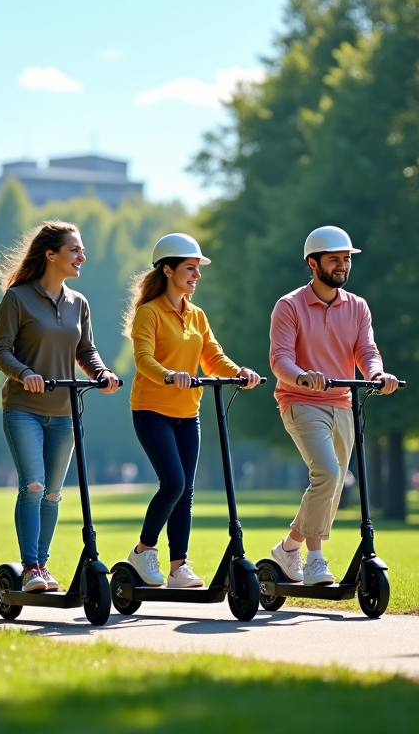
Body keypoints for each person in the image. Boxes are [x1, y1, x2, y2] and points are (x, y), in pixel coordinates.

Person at [124, 233, 260, 588]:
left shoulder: (196, 316)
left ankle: (178, 567)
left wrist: (238, 373)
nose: (197, 276)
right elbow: (143, 360)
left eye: (198, 269)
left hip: (188, 412)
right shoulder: (149, 313)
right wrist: (170, 375)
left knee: (186, 490)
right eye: (190, 269)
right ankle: (142, 551)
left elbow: (212, 357)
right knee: (173, 483)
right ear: (168, 270)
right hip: (152, 410)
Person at [0, 221, 120, 593]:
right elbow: (0, 351)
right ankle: (29, 566)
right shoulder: (18, 298)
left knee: (53, 493)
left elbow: (86, 350)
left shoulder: (78, 302)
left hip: (66, 411)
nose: (82, 256)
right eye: (75, 250)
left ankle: (42, 567)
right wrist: (24, 373)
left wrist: (102, 372)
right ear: (51, 255)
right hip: (24, 407)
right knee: (33, 485)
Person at [269, 226, 399, 585]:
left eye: (346, 259)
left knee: (336, 484)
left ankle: (288, 547)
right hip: (301, 400)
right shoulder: (289, 306)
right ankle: (314, 560)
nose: (343, 266)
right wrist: (303, 376)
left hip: (342, 401)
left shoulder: (357, 307)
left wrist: (377, 373)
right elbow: (280, 360)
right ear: (313, 263)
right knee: (326, 473)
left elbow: (366, 350)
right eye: (334, 260)